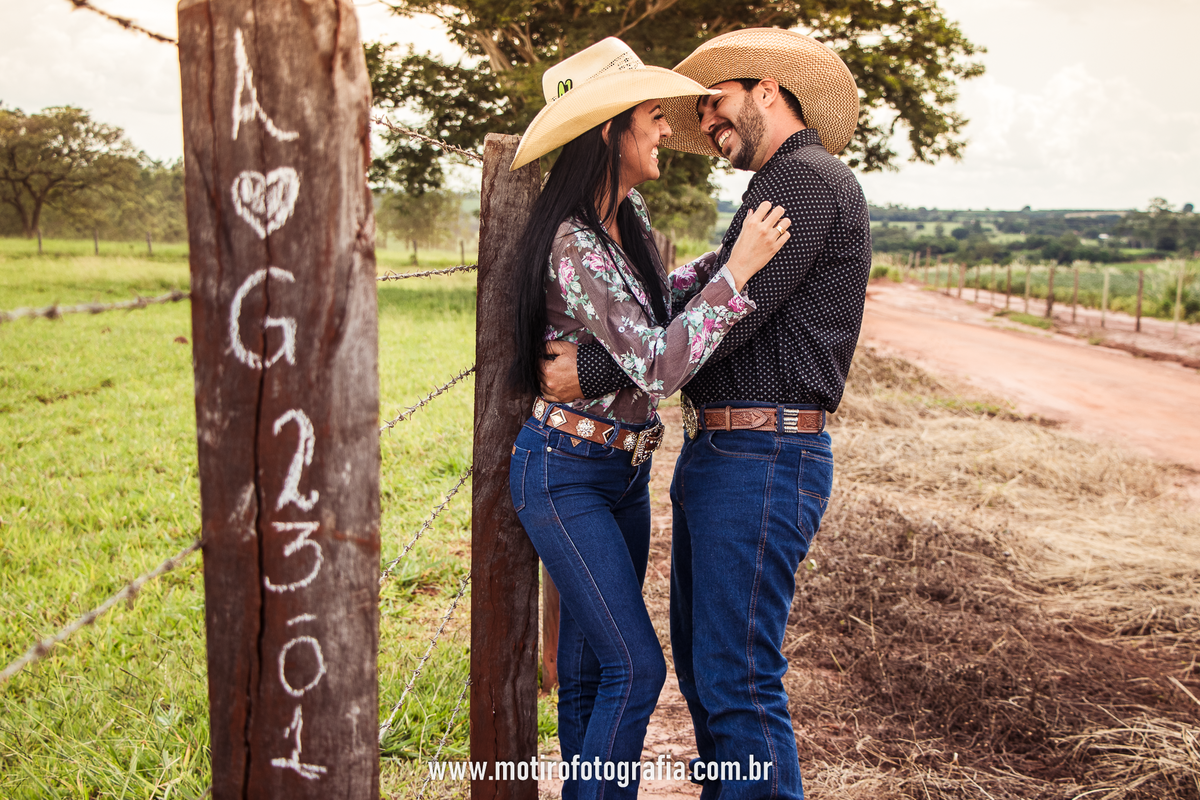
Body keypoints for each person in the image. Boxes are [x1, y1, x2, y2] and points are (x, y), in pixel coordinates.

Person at [538, 29, 872, 800]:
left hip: (761, 457)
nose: (704, 120)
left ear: (767, 90)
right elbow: (704, 289)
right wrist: (636, 347)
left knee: (736, 679)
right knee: (712, 673)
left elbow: (732, 315)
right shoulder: (778, 183)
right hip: (732, 455)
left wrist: (593, 368)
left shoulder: (804, 182)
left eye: (716, 103)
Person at [508, 36, 792, 800]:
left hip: (621, 474)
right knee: (637, 668)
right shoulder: (572, 242)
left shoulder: (623, 218)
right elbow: (660, 365)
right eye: (655, 115)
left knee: (591, 674)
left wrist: (725, 259)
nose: (670, 128)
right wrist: (739, 272)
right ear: (611, 130)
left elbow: (655, 306)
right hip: (565, 474)